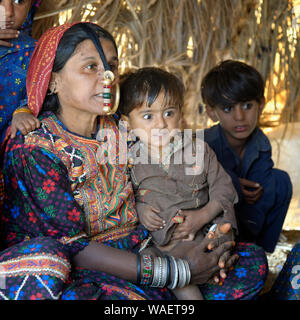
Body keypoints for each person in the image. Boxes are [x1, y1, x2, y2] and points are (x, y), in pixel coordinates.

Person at [0, 22, 266, 300]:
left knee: (249, 261)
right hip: (91, 268)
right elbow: (71, 249)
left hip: (146, 246)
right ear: (53, 79)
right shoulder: (35, 148)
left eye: (112, 66)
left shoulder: (120, 127)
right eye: (90, 66)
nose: (107, 77)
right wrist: (176, 271)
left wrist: (206, 237)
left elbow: (177, 169)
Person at [119, 67, 240, 300]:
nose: (161, 124)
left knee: (186, 263)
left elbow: (224, 188)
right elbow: (124, 198)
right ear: (126, 124)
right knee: (147, 263)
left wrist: (204, 215)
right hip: (159, 240)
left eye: (169, 113)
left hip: (201, 234)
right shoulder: (128, 160)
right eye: (148, 116)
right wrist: (141, 209)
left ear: (180, 115)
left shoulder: (199, 150)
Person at [202, 60, 293, 253]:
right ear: (211, 112)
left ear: (261, 104)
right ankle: (227, 247)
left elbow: (261, 192)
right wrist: (230, 182)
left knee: (280, 181)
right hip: (210, 226)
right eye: (228, 108)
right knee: (227, 182)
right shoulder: (203, 144)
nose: (240, 117)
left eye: (247, 105)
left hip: (248, 220)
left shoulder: (261, 143)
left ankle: (259, 251)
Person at [0, 0, 41, 145]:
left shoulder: (36, 52)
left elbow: (41, 94)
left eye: (19, 1)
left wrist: (23, 111)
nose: (8, 12)